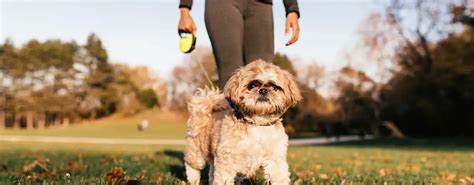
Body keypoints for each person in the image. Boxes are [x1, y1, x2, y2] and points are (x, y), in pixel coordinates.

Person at [178, 0, 300, 89]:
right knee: (232, 76)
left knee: (262, 74)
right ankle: (230, 122)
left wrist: (292, 9)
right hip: (222, 4)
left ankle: (259, 123)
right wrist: (185, 10)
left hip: (261, 5)